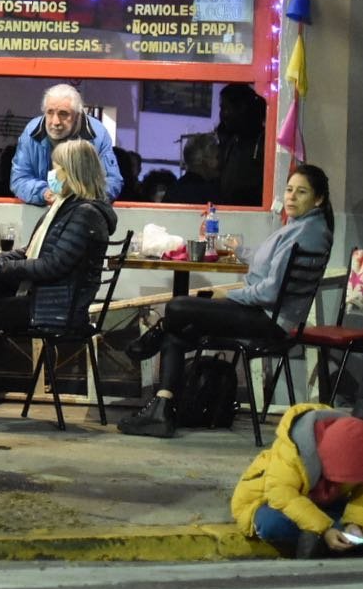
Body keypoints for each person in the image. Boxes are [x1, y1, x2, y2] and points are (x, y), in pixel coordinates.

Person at [119, 163, 335, 438]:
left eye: (301, 192)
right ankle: (161, 410)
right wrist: (239, 250)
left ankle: (155, 344)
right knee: (177, 329)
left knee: (177, 307)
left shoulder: (305, 235)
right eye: (289, 189)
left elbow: (269, 292)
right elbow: (268, 264)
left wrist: (227, 294)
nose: (291, 196)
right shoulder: (303, 228)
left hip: (269, 321)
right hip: (265, 315)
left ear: (318, 199)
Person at [0, 140, 117, 427]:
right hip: (41, 295)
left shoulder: (85, 214)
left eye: (57, 168)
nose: (52, 174)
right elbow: (32, 250)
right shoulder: (65, 207)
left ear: (72, 172)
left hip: (55, 307)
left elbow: (53, 265)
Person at [231, 404, 363, 558]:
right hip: (269, 502)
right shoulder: (292, 451)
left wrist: (355, 522)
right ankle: (322, 543)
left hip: (319, 504)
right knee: (271, 523)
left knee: (349, 523)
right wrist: (326, 529)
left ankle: (332, 541)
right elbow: (283, 497)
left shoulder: (356, 441)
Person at [9, 83, 123, 205]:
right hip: (42, 212)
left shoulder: (98, 134)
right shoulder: (31, 133)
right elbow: (19, 179)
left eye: (63, 114)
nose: (55, 121)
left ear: (77, 115)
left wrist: (88, 198)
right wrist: (43, 193)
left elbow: (112, 181)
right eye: (50, 112)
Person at [216, 82, 266, 206]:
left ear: (242, 108)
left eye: (225, 108)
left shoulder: (264, 142)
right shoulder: (231, 141)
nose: (222, 115)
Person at [163, 132, 220, 205]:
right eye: (217, 157)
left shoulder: (173, 191)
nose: (220, 162)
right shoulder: (211, 194)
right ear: (204, 160)